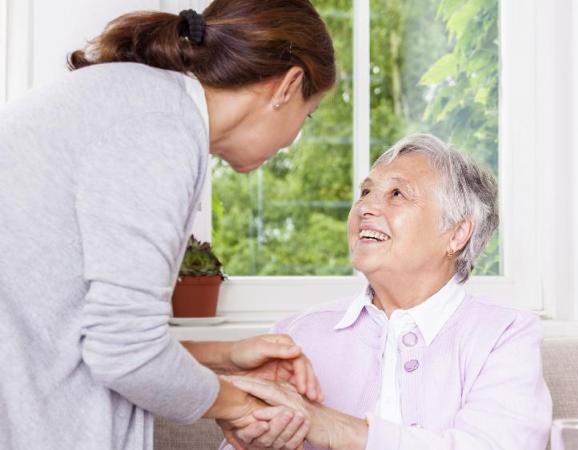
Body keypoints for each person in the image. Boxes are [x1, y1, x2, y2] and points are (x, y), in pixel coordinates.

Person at [0, 1, 336, 448]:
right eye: (307, 115)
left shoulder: (140, 102)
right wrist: (243, 405)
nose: (296, 136)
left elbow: (93, 338)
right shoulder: (161, 129)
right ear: (287, 86)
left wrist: (226, 357)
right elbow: (124, 354)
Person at [220, 134, 552, 450]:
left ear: (456, 233)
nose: (365, 208)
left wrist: (335, 427)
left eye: (397, 194)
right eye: (365, 192)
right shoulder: (295, 336)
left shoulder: (503, 335)